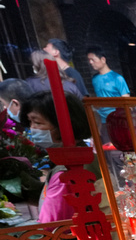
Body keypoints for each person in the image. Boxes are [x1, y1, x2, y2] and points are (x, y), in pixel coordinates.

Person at [18, 90, 94, 223]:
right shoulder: (84, 155)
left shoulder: (65, 172)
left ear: (65, 124)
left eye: (38, 123)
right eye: (30, 122)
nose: (32, 128)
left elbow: (51, 224)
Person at [86, 46, 129, 123]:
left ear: (103, 60)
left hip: (117, 119)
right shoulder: (94, 79)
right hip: (102, 120)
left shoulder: (117, 78)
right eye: (89, 60)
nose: (90, 62)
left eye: (93, 59)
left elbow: (126, 100)